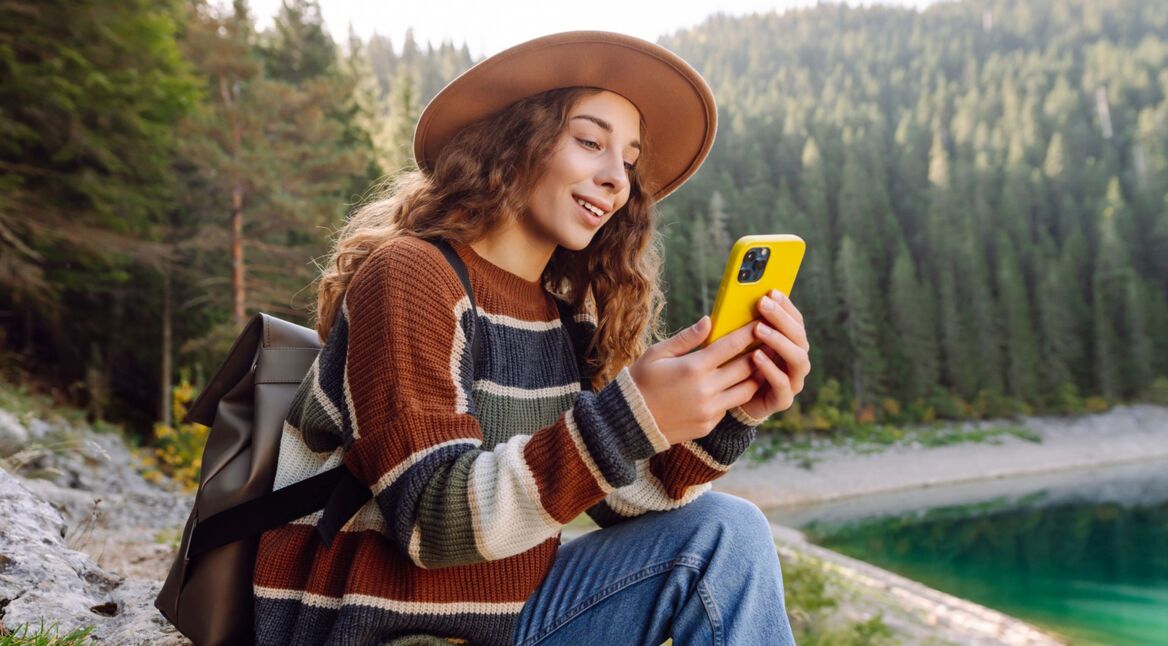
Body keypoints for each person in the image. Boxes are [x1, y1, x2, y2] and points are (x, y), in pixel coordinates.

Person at [252, 31, 810, 646]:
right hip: (377, 628)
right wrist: (627, 418)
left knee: (725, 533)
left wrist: (728, 412)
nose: (616, 179)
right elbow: (431, 521)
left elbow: (621, 500)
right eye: (591, 142)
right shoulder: (411, 276)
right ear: (516, 139)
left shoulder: (565, 321)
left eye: (627, 161)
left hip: (508, 621)